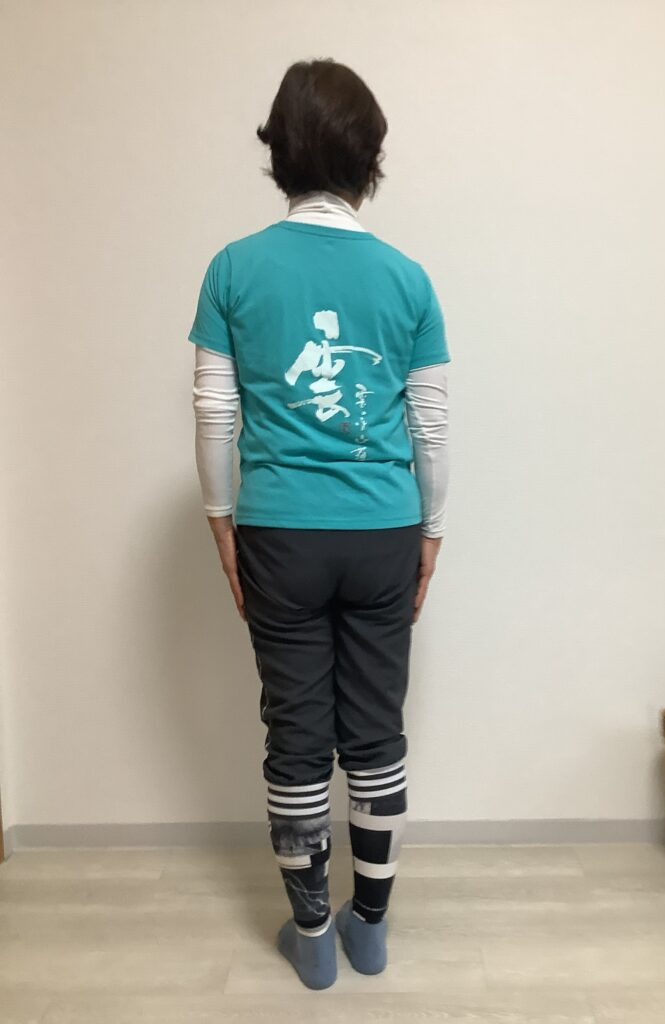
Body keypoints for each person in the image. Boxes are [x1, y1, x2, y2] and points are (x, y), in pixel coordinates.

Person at [187, 58, 450, 990]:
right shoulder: (408, 279)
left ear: (280, 156)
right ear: (369, 159)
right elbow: (431, 424)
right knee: (375, 732)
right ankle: (368, 928)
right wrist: (430, 531)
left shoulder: (232, 268)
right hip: (383, 531)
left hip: (280, 534)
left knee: (296, 736)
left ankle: (310, 938)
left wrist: (222, 521)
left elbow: (214, 412)